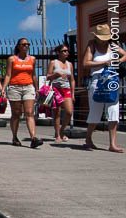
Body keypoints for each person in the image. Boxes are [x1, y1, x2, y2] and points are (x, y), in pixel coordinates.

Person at [82, 24, 126, 153]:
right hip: (97, 81)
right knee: (95, 111)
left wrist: (118, 62)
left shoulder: (112, 45)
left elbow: (125, 54)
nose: (104, 40)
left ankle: (112, 143)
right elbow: (86, 63)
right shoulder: (92, 45)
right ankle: (88, 138)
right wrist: (103, 63)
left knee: (113, 111)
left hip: (112, 80)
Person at [1, 38, 43, 148]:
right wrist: (3, 88)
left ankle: (33, 138)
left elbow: (33, 74)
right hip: (15, 87)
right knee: (16, 114)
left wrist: (37, 88)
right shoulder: (12, 59)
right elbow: (8, 75)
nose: (26, 46)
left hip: (28, 87)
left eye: (28, 44)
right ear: (19, 46)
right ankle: (14, 137)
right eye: (24, 44)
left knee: (29, 113)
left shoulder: (32, 59)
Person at [46, 44, 75, 143]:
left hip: (66, 89)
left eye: (67, 51)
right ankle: (57, 134)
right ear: (58, 52)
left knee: (69, 112)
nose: (66, 53)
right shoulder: (53, 62)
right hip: (56, 89)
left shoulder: (69, 64)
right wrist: (55, 75)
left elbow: (72, 80)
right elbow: (48, 76)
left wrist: (73, 93)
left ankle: (62, 130)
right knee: (57, 112)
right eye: (64, 51)